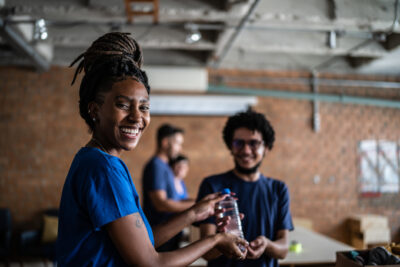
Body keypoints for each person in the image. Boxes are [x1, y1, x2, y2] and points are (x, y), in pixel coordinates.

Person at [56, 32, 248, 266]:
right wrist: (215, 240)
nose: (137, 117)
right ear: (95, 110)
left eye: (144, 107)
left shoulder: (102, 161)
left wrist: (195, 213)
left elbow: (143, 242)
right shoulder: (102, 168)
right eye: (123, 105)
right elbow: (150, 262)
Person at [196, 109, 294, 267]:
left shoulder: (278, 189)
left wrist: (267, 244)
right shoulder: (212, 186)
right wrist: (223, 243)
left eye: (254, 143)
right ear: (230, 146)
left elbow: (283, 250)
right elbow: (206, 253)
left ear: (266, 148)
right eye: (238, 143)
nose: (246, 150)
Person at [142, 124, 196, 251]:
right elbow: (161, 204)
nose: (180, 148)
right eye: (177, 143)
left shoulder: (166, 167)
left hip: (171, 235)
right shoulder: (156, 166)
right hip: (160, 236)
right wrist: (196, 206)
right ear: (165, 142)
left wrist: (198, 200)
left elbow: (175, 200)